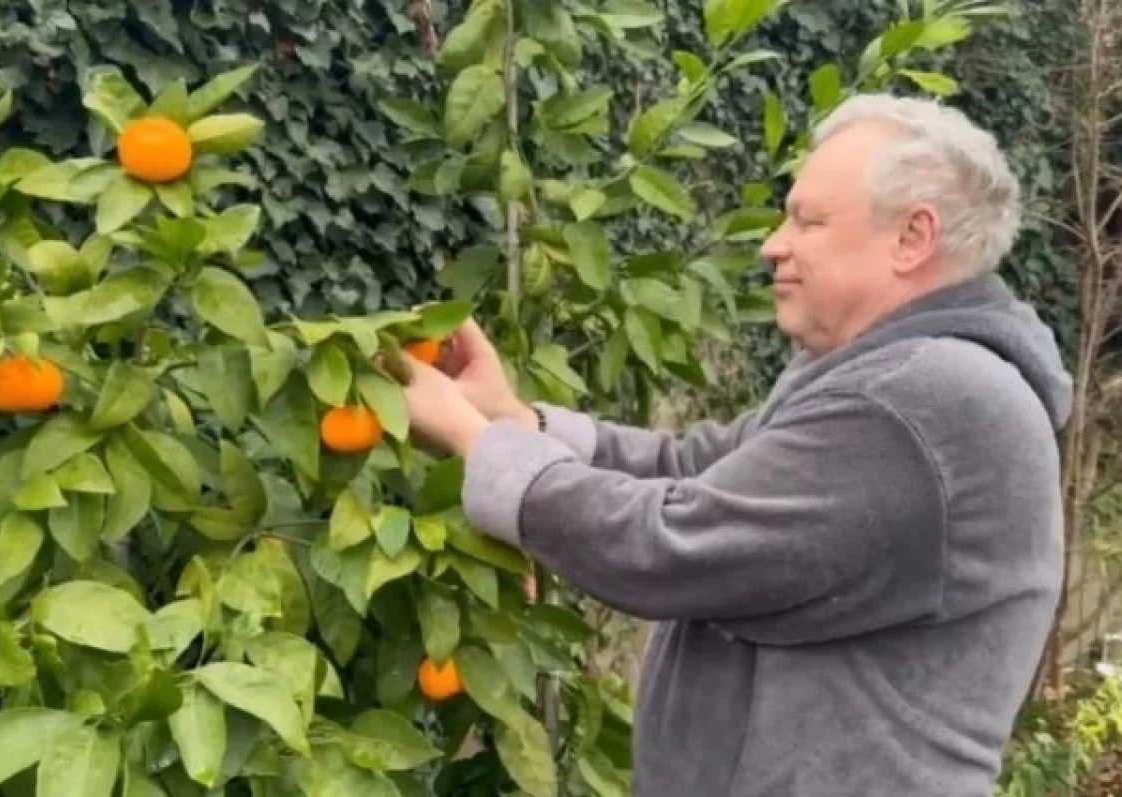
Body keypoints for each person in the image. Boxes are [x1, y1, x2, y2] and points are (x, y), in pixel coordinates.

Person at [392, 94, 1072, 796]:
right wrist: (515, 420)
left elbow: (669, 545)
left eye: (808, 220)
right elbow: (695, 469)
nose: (773, 243)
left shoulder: (918, 401)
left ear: (911, 237)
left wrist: (472, 439)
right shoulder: (882, 376)